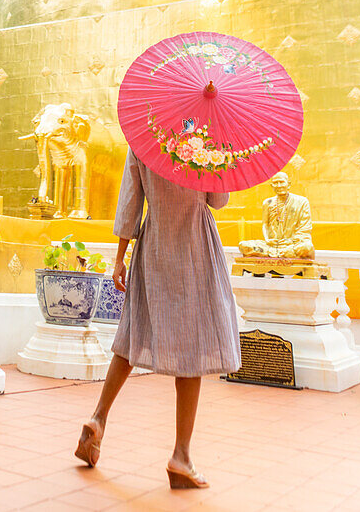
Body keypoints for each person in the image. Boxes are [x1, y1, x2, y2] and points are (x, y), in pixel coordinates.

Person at [75, 148, 240, 489]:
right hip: (195, 243)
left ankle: (99, 417)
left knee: (134, 331)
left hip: (154, 244)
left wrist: (120, 259)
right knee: (192, 346)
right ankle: (181, 455)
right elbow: (218, 200)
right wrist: (220, 157)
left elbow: (130, 202)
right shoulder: (206, 140)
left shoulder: (144, 138)